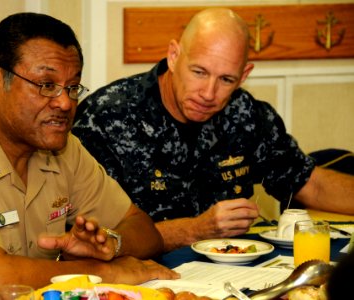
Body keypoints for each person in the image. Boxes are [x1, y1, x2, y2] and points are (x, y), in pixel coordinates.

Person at [0, 13, 178, 299]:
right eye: (46, 85)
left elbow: (145, 231)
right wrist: (103, 272)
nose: (64, 102)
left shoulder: (58, 145)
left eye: (73, 87)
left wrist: (112, 245)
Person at [72, 8, 354, 252]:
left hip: (234, 273)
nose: (209, 93)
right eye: (199, 72)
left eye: (226, 79)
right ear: (173, 56)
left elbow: (309, 183)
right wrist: (196, 229)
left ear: (244, 76)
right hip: (145, 277)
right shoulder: (107, 117)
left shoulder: (244, 112)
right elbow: (101, 239)